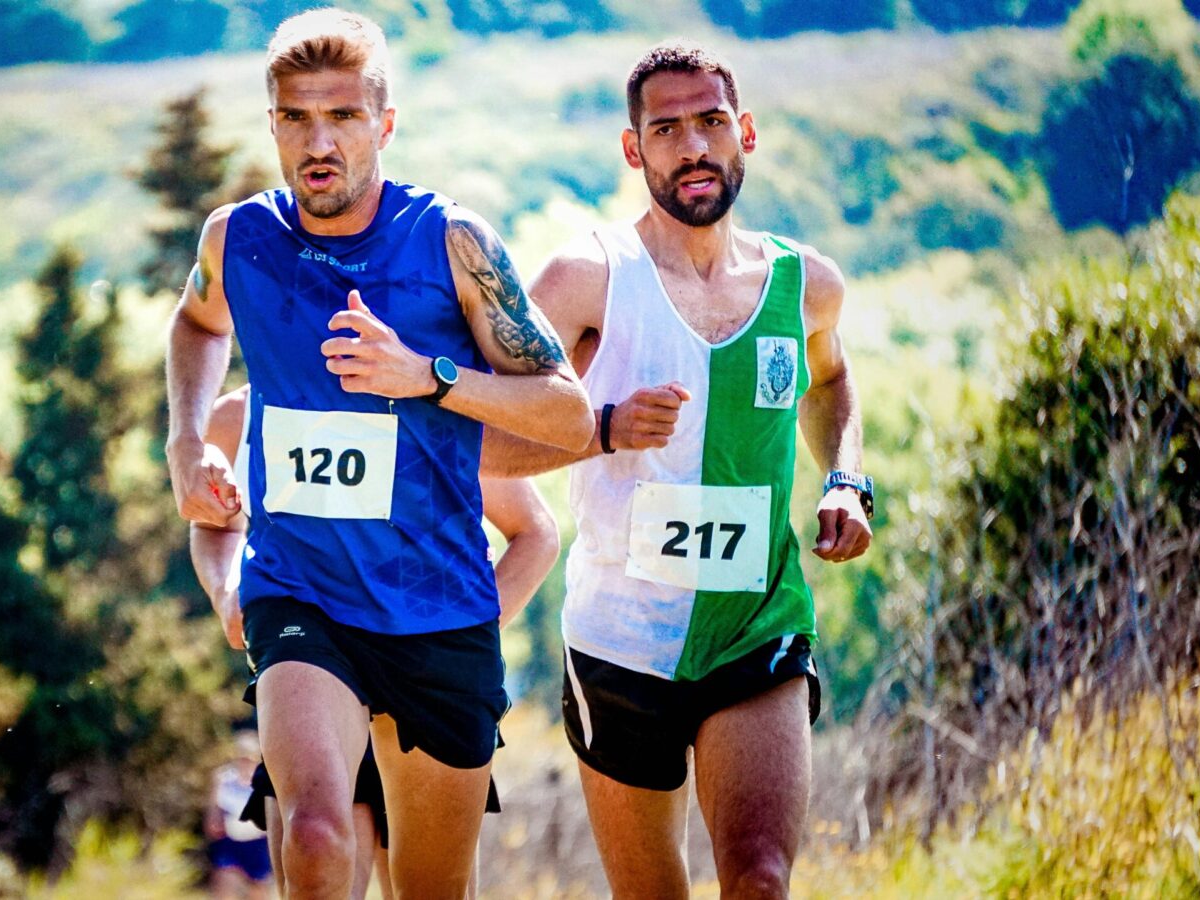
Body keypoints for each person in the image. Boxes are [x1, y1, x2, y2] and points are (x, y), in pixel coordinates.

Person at [164, 8, 591, 898]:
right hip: (300, 594)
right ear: (272, 124)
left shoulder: (453, 243)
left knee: (428, 888)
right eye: (295, 118)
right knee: (318, 838)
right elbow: (199, 323)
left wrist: (429, 377)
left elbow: (568, 414)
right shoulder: (237, 239)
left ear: (385, 123)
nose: (318, 142)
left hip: (438, 610)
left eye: (343, 117)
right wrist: (185, 438)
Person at [481, 40, 875, 899]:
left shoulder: (806, 283)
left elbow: (831, 379)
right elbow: (477, 445)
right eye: (666, 130)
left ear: (746, 133)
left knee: (760, 880)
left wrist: (846, 478)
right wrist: (604, 430)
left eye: (711, 122)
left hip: (757, 624)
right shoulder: (586, 281)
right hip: (619, 641)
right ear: (635, 149)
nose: (693, 147)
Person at [192, 384, 559, 899]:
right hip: (310, 696)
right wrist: (224, 588)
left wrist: (461, 635)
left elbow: (536, 532)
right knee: (316, 852)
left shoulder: (418, 396)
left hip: (422, 693)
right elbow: (212, 522)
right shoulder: (237, 414)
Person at [206, 731, 273, 899]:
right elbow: (214, 810)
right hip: (230, 842)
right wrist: (213, 822)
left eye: (248, 757)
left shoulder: (264, 781)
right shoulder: (223, 778)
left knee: (258, 892)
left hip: (257, 843)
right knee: (225, 885)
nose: (244, 761)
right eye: (241, 757)